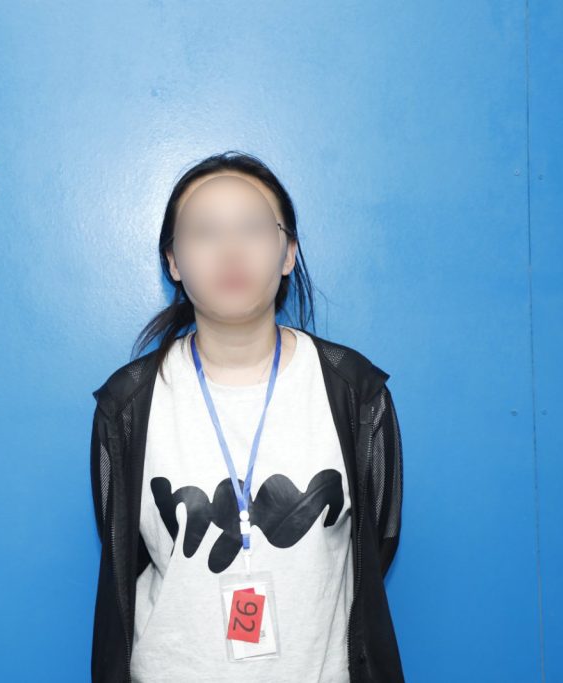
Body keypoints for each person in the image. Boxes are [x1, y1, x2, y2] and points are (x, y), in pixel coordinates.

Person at [89, 150, 405, 682]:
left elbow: (375, 546)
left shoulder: (353, 391)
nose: (231, 251)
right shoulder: (128, 404)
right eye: (205, 232)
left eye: (253, 229)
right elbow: (124, 550)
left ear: (288, 253)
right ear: (173, 261)